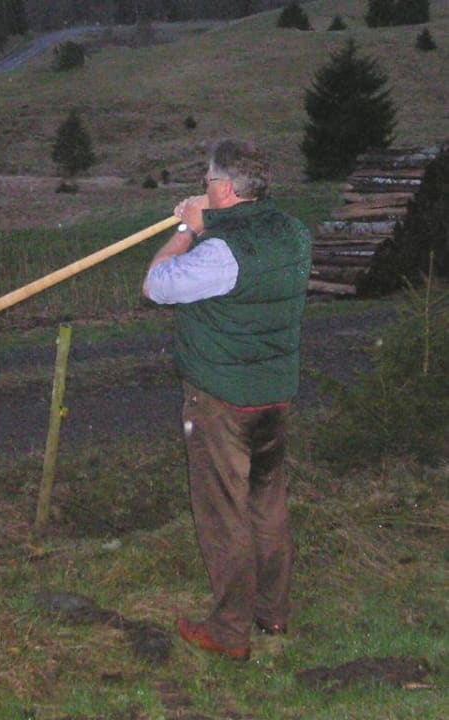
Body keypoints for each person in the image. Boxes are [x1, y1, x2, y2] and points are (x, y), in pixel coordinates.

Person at [142, 139, 312, 661]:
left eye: (208, 181)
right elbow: (245, 241)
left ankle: (229, 632)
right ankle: (272, 612)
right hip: (274, 397)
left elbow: (156, 285)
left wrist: (186, 230)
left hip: (222, 400)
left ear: (227, 187)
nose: (203, 189)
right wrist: (208, 222)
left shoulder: (218, 252)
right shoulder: (292, 232)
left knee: (224, 513)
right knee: (267, 504)